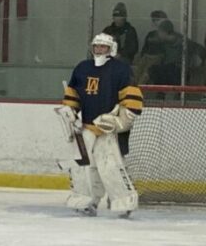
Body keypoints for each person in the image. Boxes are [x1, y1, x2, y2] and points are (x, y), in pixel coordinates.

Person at [58, 33, 143, 217]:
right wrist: (69, 112)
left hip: (108, 128)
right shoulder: (82, 68)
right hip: (86, 127)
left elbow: (132, 98)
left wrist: (122, 120)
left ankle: (124, 202)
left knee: (110, 165)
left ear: (111, 49)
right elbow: (72, 95)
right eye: (96, 46)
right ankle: (86, 201)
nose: (99, 50)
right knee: (82, 167)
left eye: (103, 47)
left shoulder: (121, 69)